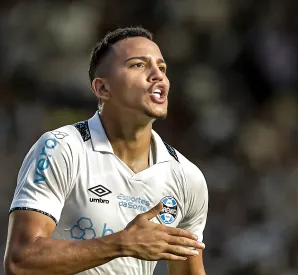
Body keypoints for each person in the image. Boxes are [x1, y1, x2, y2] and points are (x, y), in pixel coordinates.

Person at [4, 27, 208, 275]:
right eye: (138, 65)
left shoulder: (187, 177)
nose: (158, 76)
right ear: (102, 89)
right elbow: (20, 261)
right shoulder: (62, 148)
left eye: (162, 68)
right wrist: (122, 243)